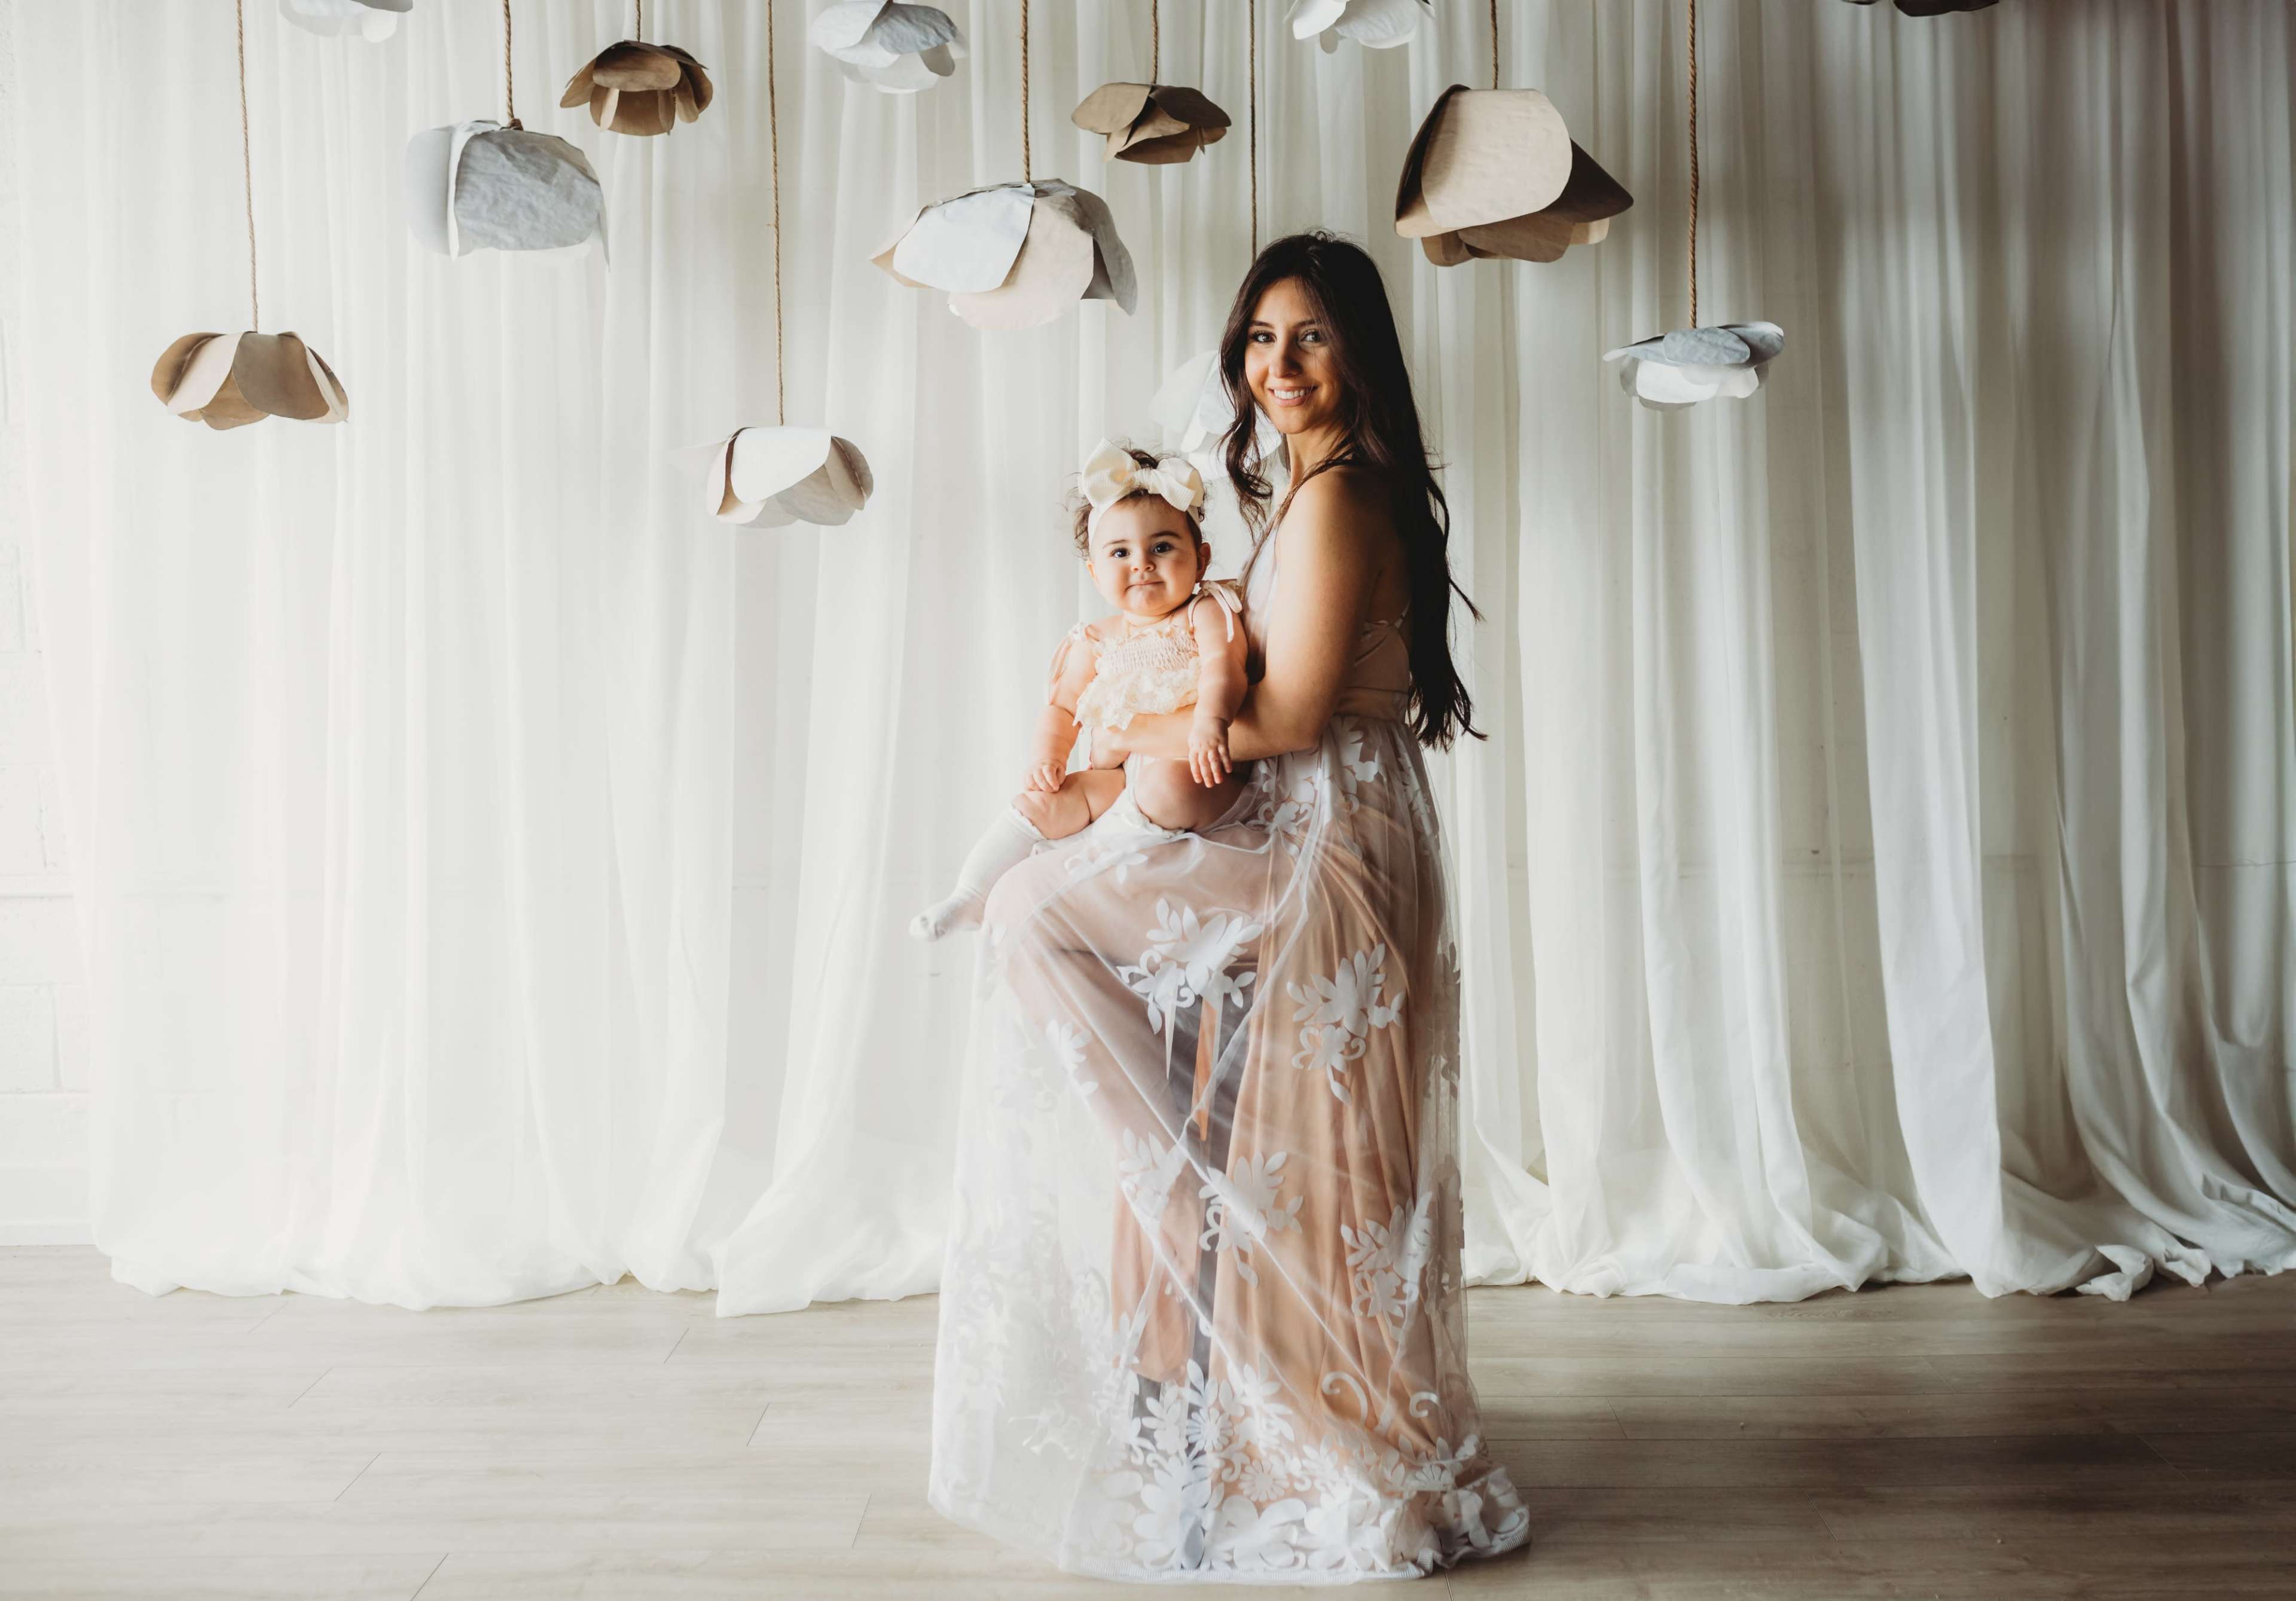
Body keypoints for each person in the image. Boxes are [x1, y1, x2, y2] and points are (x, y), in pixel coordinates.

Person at [929, 233, 1529, 1581]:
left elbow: (1294, 712)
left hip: (1330, 837)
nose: (1280, 366)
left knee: (1042, 916)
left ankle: (1202, 1237)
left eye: (1310, 336)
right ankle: (1194, 1255)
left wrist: (1113, 754)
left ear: (1360, 350)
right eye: (1261, 340)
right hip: (1312, 818)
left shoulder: (1336, 503)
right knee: (1229, 1094)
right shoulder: (1313, 492)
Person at [911, 439, 1250, 942]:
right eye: (1120, 552)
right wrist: (1047, 759)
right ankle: (970, 894)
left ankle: (1078, 861)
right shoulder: (1094, 641)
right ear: (1095, 573)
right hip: (1115, 780)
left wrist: (1211, 721)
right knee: (1042, 801)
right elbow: (1063, 708)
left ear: (1200, 560)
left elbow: (1227, 668)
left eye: (1162, 547)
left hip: (1194, 769)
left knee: (1168, 786)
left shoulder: (1206, 611)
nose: (1142, 563)